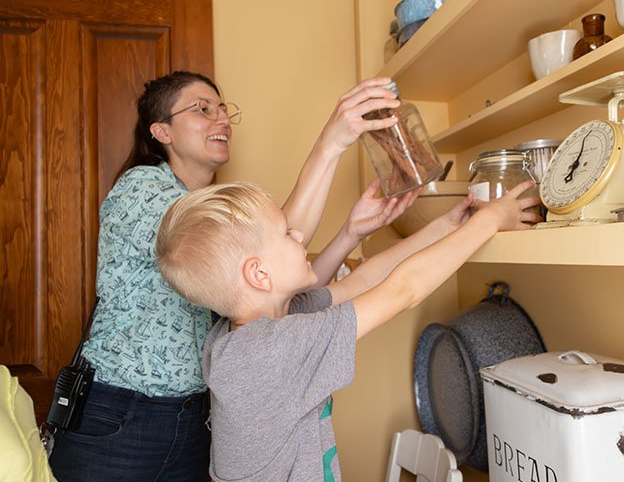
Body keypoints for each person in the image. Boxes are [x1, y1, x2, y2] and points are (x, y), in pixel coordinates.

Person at [48, 70, 415, 481]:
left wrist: (350, 234)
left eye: (223, 109)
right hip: (122, 418)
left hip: (194, 419)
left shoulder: (209, 208)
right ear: (161, 131)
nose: (221, 118)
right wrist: (331, 143)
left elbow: (276, 285)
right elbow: (268, 260)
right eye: (202, 109)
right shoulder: (145, 188)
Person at [154, 180, 535, 481]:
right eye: (287, 233)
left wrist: (444, 227)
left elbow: (363, 280)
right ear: (258, 274)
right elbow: (402, 290)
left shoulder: (256, 329)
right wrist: (489, 222)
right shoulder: (269, 350)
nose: (301, 236)